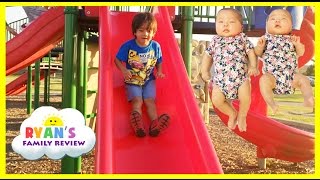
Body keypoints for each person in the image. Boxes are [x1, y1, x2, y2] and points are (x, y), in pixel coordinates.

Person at [201, 8, 259, 132]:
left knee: (245, 98)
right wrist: (204, 70)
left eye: (231, 22)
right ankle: (232, 113)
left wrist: (253, 66)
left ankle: (242, 116)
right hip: (221, 81)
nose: (225, 24)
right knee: (216, 100)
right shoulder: (215, 41)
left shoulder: (242, 39)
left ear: (241, 27)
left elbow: (251, 53)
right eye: (221, 22)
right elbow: (207, 56)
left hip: (240, 78)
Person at [114, 12, 170, 137]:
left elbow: (159, 60)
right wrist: (124, 70)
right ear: (135, 32)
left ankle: (155, 124)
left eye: (149, 31)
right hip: (133, 79)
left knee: (150, 101)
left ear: (153, 33)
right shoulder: (129, 45)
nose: (145, 34)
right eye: (141, 30)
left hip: (149, 79)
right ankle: (137, 124)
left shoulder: (155, 46)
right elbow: (117, 59)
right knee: (137, 100)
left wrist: (159, 71)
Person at [254, 9, 314, 115]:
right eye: (273, 19)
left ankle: (308, 98)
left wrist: (298, 45)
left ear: (291, 26)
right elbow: (258, 54)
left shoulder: (292, 40)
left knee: (303, 79)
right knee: (263, 80)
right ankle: (272, 104)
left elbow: (300, 53)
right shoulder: (265, 40)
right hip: (272, 79)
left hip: (291, 78)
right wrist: (259, 47)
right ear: (267, 25)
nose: (277, 21)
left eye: (283, 19)